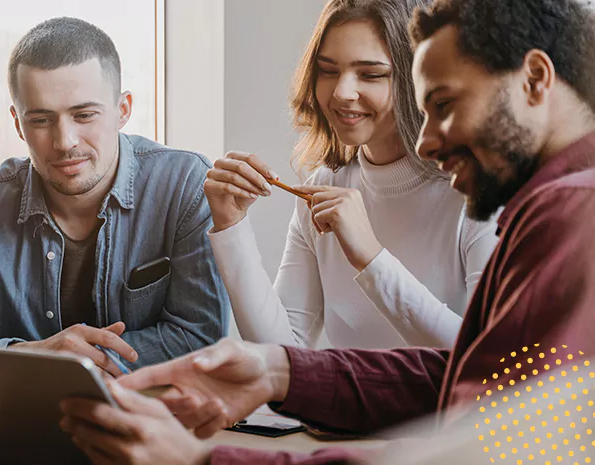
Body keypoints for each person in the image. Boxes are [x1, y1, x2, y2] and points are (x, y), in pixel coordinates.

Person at [59, 0, 595, 463]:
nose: (429, 141)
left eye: (445, 104)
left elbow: (498, 439)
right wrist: (279, 371)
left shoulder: (568, 213)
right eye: (328, 69)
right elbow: (476, 377)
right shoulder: (542, 203)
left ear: (535, 80)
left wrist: (205, 461)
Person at [0, 17, 230, 373]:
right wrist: (44, 354)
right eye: (41, 120)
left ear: (123, 110)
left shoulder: (185, 184)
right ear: (17, 123)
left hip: (154, 417)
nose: (65, 142)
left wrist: (72, 360)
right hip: (13, 422)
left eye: (84, 115)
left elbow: (200, 338)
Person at [204, 0, 499, 349]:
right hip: (345, 405)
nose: (342, 93)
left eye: (371, 74)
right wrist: (231, 227)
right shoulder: (322, 189)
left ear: (419, 80)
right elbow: (281, 353)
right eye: (328, 71)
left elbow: (486, 356)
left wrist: (371, 258)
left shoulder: (480, 194)